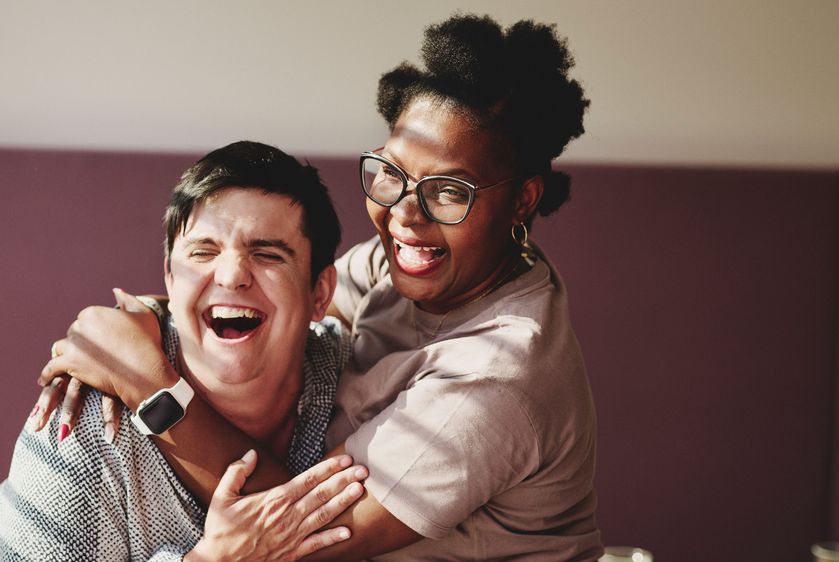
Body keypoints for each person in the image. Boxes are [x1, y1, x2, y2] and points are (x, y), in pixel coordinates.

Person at [40, 14, 600, 561]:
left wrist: (148, 383)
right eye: (391, 173)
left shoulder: (497, 376)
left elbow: (303, 533)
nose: (405, 215)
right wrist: (141, 322)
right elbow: (276, 296)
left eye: (449, 191)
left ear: (522, 201)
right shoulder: (413, 270)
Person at [0, 141, 369, 562]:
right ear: (170, 277)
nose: (231, 275)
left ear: (320, 292)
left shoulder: (366, 381)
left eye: (267, 254)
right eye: (204, 252)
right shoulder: (85, 424)